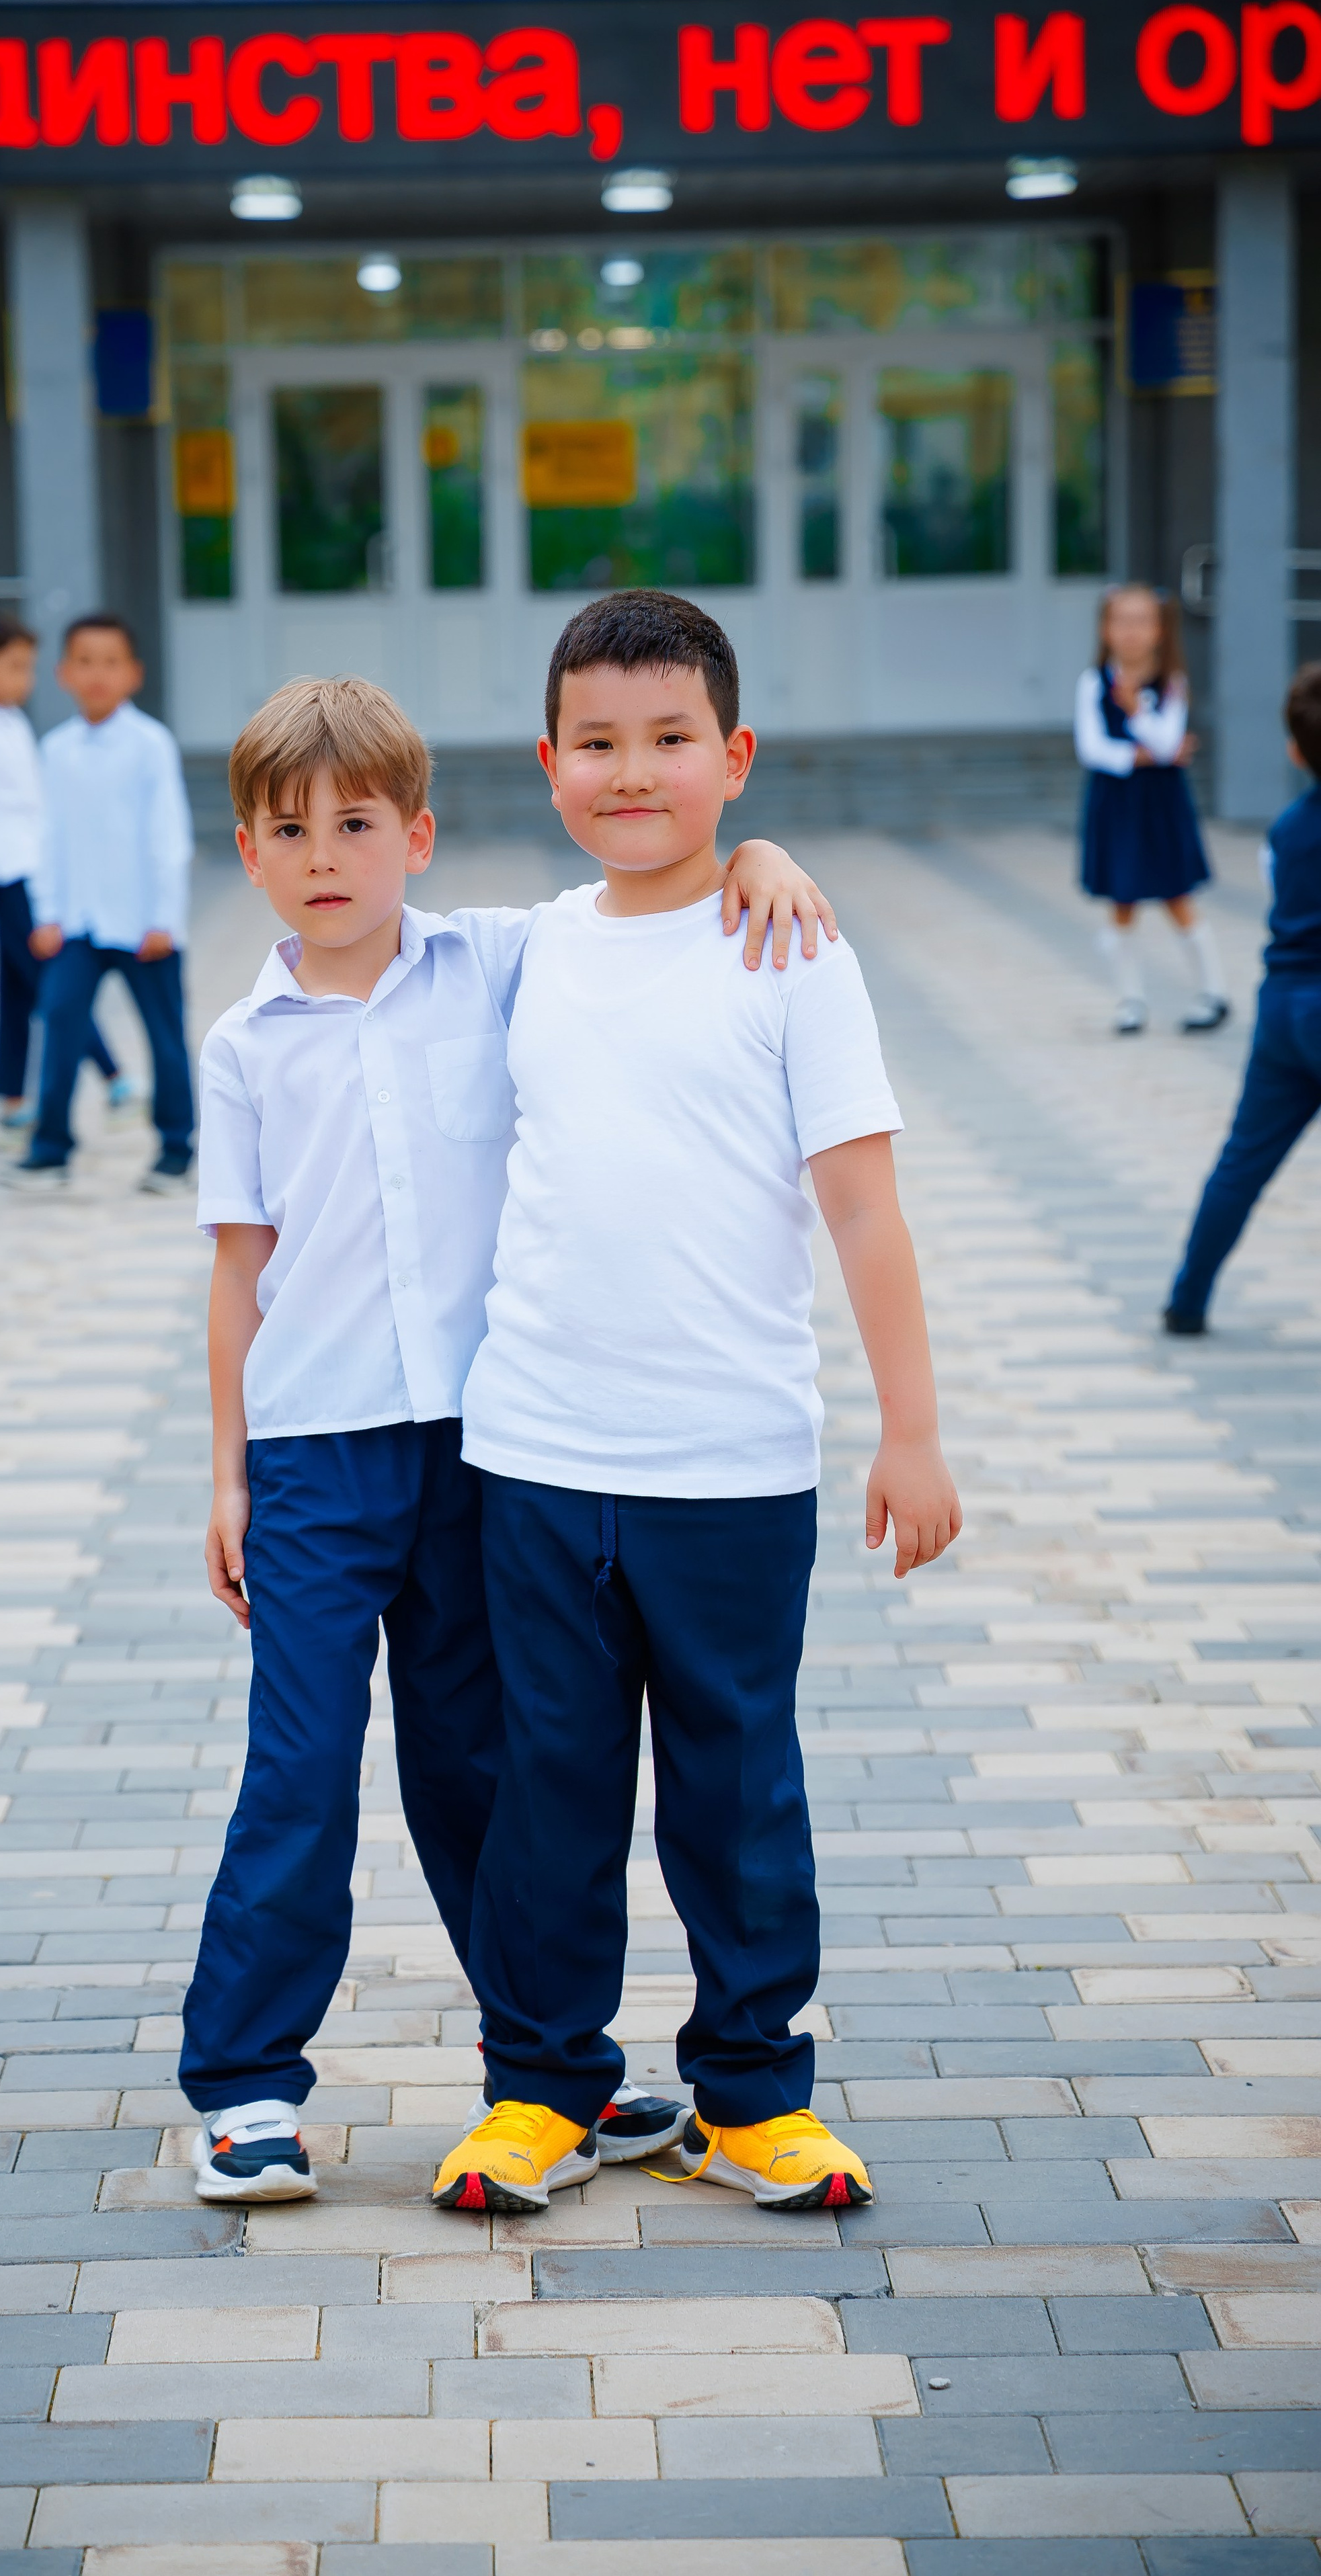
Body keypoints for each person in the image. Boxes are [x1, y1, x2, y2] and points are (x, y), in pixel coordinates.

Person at [179, 673, 839, 2202]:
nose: (325, 855)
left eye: (357, 824)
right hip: (312, 1464)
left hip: (480, 1457)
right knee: (300, 1763)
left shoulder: (496, 962)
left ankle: (545, 2069)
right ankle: (244, 2083)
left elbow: (652, 879)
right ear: (249, 850)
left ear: (418, 834)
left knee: (488, 1770)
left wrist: (762, 857)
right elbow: (235, 1272)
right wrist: (222, 1474)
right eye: (290, 831)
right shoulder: (242, 1046)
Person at [435, 589, 961, 2218]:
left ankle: (749, 2091)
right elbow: (344, 932)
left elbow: (863, 1206)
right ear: (546, 762)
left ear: (732, 758)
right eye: (596, 743)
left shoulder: (789, 949)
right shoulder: (522, 951)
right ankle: (543, 2086)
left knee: (737, 1789)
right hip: (528, 1455)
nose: (632, 773)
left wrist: (911, 1426)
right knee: (550, 1786)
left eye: (670, 742)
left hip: (728, 1465)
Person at [3, 614, 195, 1196]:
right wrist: (47, 914)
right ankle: (50, 1148)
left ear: (133, 674)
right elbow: (48, 835)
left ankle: (176, 1148)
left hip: (144, 927)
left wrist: (165, 917)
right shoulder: (56, 749)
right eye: (84, 662)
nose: (97, 674)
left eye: (111, 662)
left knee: (163, 1035)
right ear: (63, 673)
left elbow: (169, 833)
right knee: (59, 1020)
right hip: (78, 925)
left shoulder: (150, 744)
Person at [1164, 663, 1321, 1336]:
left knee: (1242, 1162)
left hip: (1282, 1006)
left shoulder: (1286, 829)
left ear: (1293, 751)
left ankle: (1186, 1300)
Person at [0, 608, 126, 1142]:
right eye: (14, 667)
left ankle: (13, 1099)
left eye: (29, 667)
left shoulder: (12, 721)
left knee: (17, 988)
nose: (26, 679)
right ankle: (114, 1076)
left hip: (33, 868)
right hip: (6, 875)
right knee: (54, 981)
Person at [1078, 582, 1227, 1037]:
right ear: (1106, 629)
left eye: (1142, 621)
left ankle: (1213, 992)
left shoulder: (1171, 684)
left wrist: (1135, 713)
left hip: (1161, 806)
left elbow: (1167, 740)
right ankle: (1130, 1000)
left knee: (1177, 895)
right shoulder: (1092, 682)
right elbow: (1093, 748)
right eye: (1122, 621)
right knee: (1122, 900)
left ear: (1160, 630)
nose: (1131, 631)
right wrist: (1143, 755)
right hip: (1119, 806)